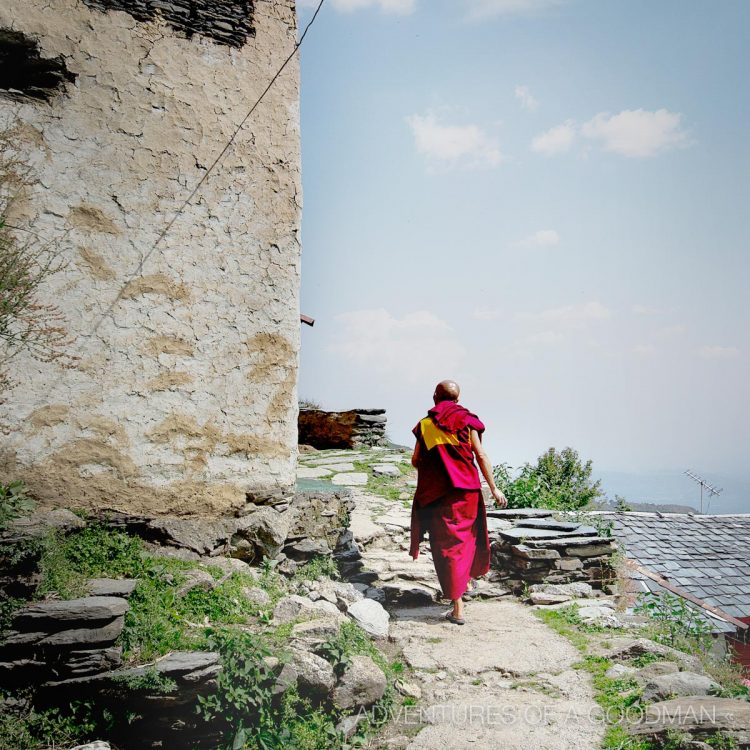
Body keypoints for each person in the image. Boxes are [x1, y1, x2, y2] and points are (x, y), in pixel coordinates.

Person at [409, 379, 507, 625]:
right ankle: (464, 584)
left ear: (434, 396)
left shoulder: (425, 425)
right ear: (457, 400)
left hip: (438, 495)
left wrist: (437, 460)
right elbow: (480, 455)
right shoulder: (466, 420)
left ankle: (457, 605)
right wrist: (493, 488)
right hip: (468, 493)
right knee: (467, 540)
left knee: (446, 547)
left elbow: (415, 459)